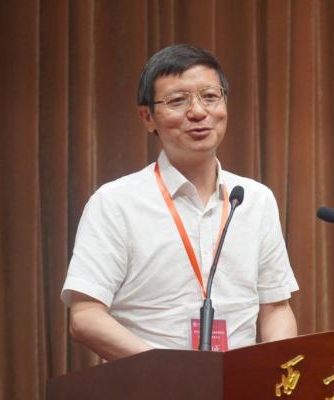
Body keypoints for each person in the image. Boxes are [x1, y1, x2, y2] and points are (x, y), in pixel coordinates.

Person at [61, 44, 298, 361]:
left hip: (238, 384)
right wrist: (170, 375)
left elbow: (276, 308)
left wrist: (271, 371)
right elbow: (86, 317)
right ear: (148, 117)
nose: (198, 111)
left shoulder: (255, 200)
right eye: (177, 101)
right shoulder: (115, 203)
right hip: (149, 383)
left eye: (210, 97)